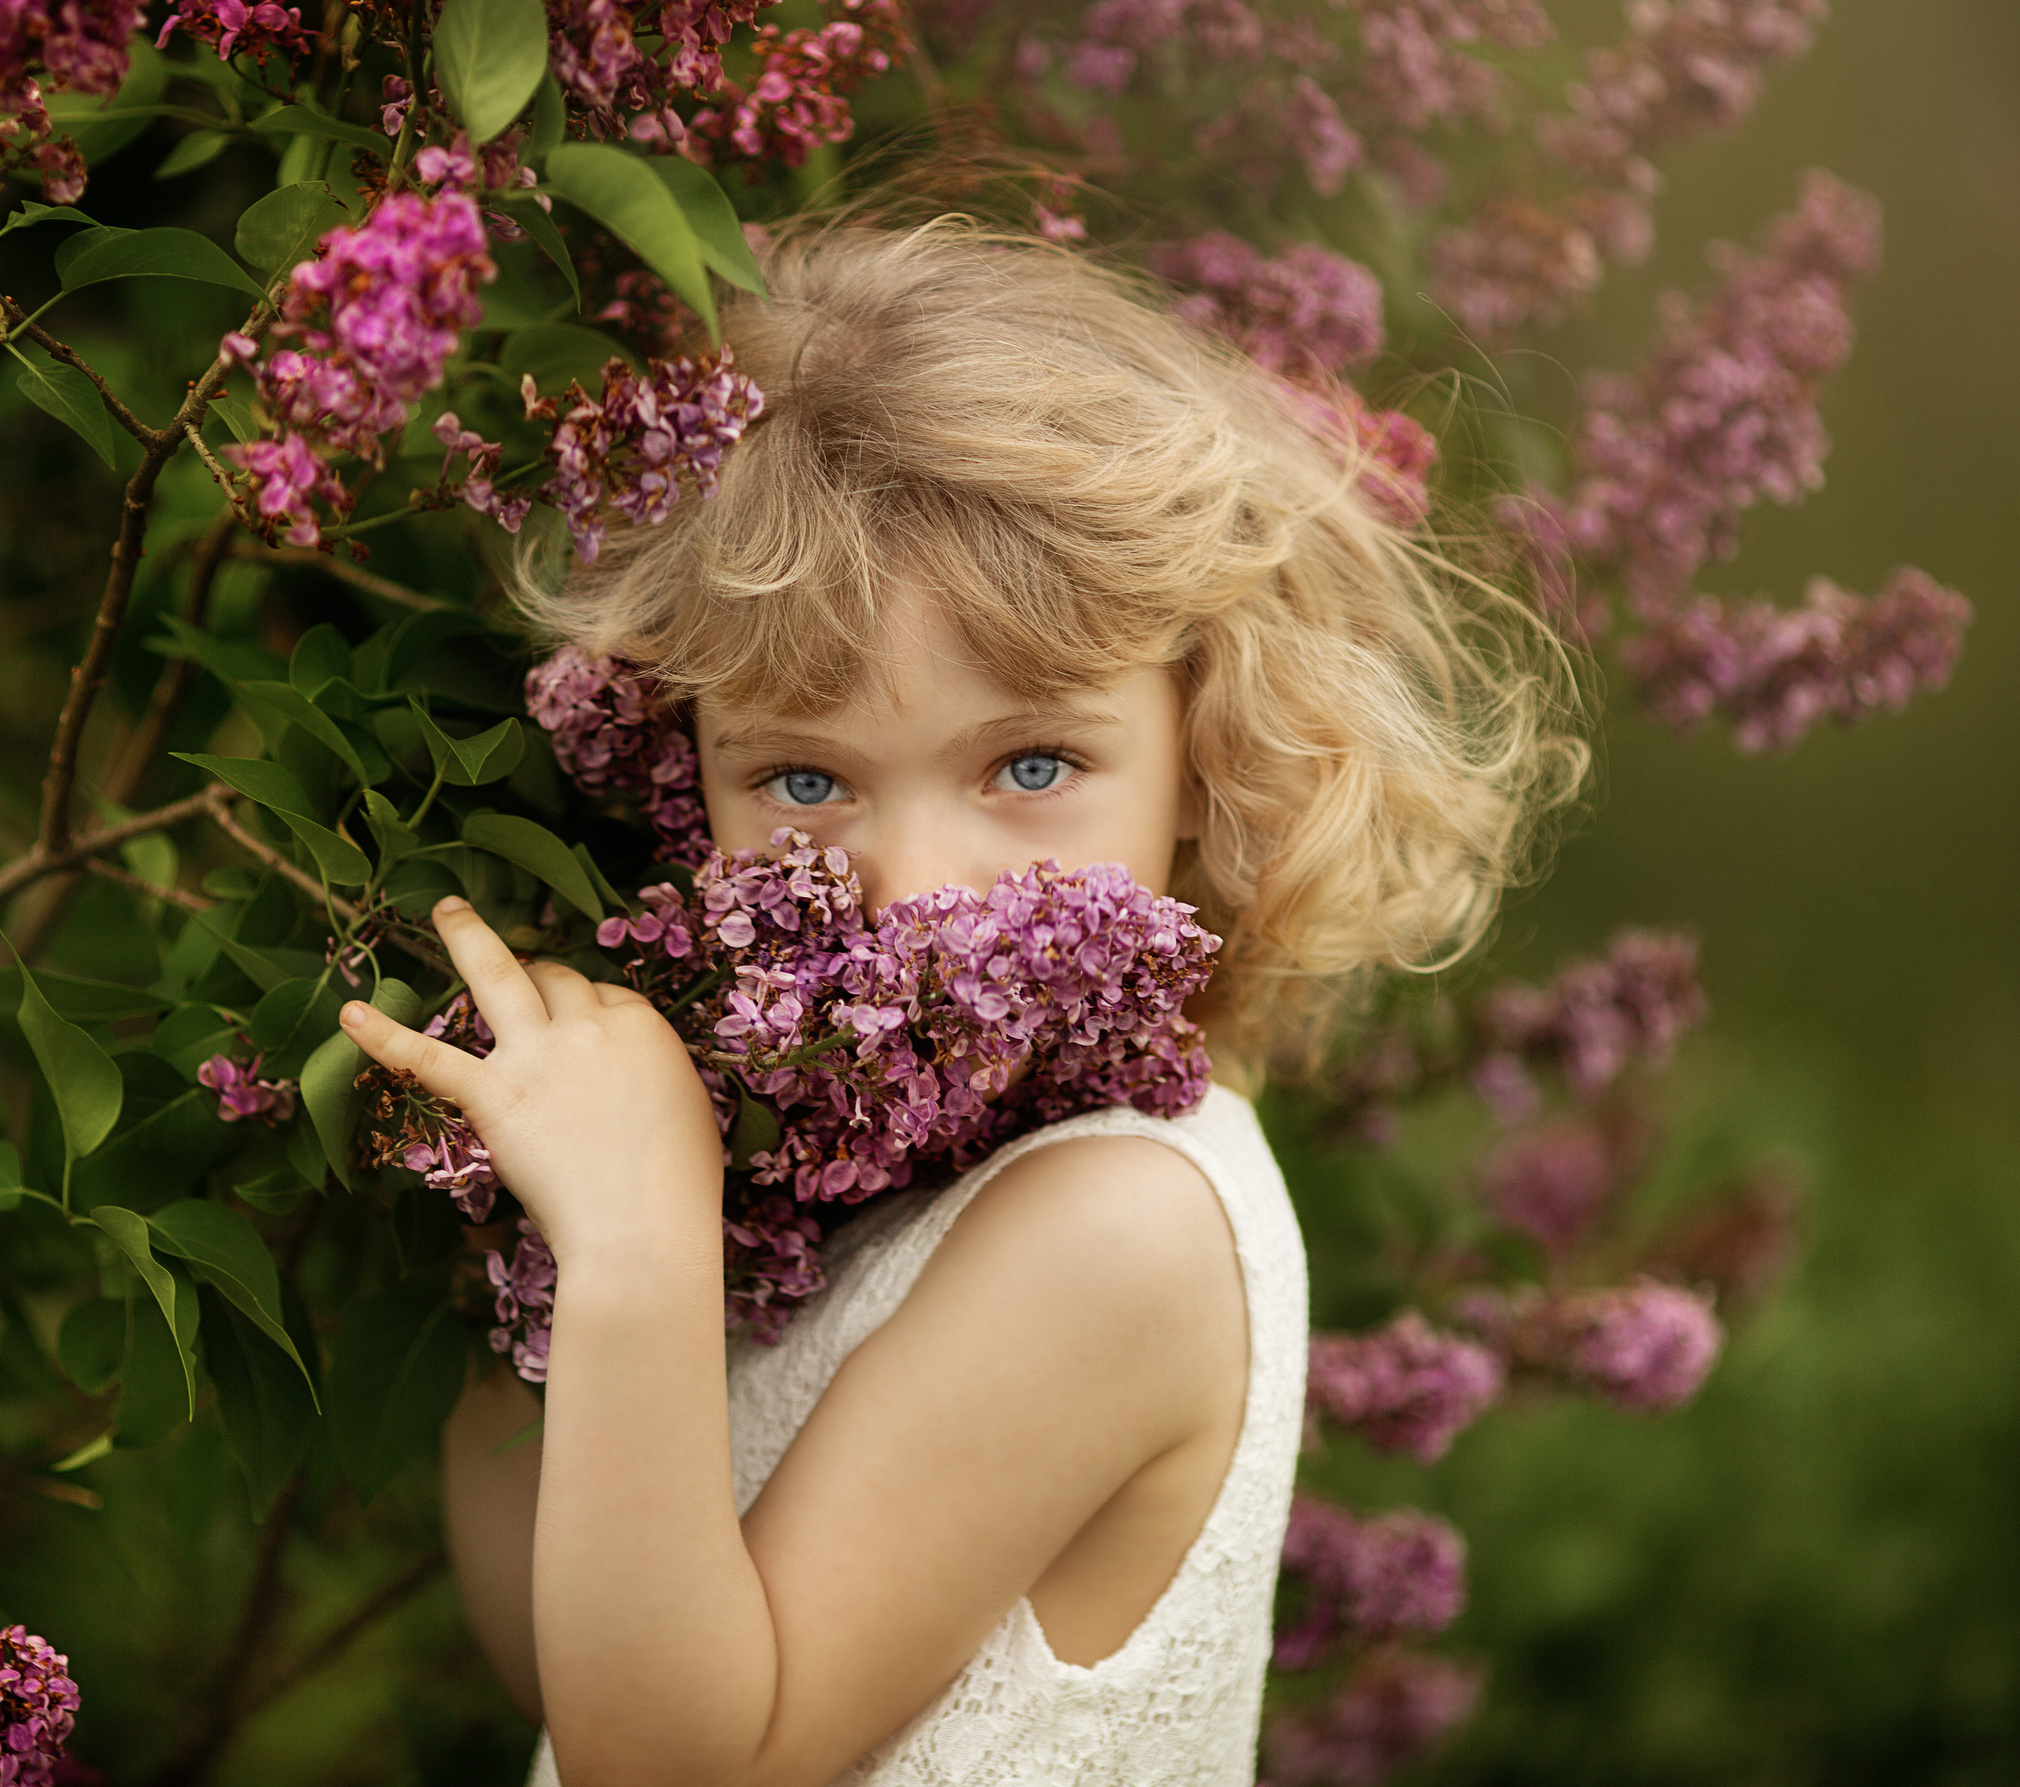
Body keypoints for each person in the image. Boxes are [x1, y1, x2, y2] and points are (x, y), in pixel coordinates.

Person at [336, 218, 1580, 1786]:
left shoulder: (1116, 1232)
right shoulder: (855, 1171)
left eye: (1032, 765)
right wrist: (524, 1238)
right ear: (683, 772)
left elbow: (666, 1771)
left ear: (1208, 747)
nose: (915, 886)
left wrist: (641, 1242)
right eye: (803, 777)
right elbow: (566, 1666)